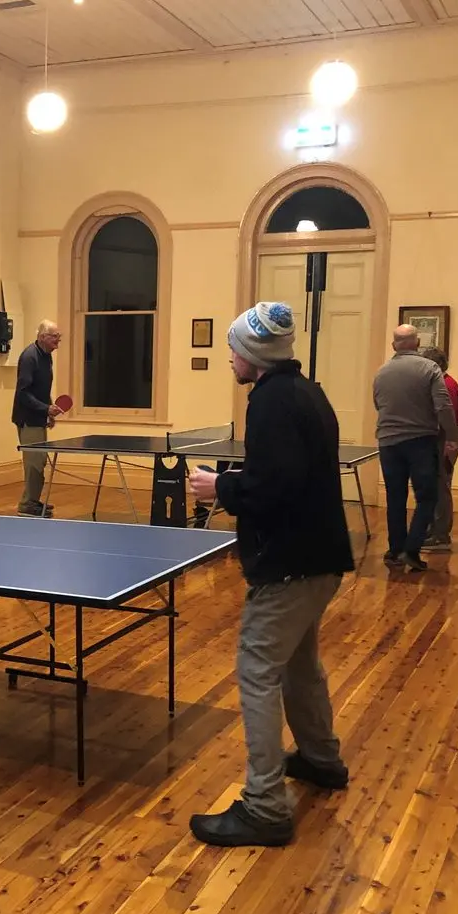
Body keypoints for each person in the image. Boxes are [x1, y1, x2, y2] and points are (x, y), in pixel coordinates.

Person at [186, 302, 355, 848]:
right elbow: (290, 474)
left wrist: (220, 487)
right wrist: (238, 481)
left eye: (233, 348)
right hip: (319, 557)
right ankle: (321, 758)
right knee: (299, 663)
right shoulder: (307, 390)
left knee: (257, 670)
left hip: (290, 562)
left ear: (253, 353)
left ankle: (264, 807)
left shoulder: (271, 401)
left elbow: (275, 487)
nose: (229, 357)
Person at [372, 325, 458, 571]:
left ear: (394, 345)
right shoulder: (430, 368)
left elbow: (378, 404)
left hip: (388, 442)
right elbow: (443, 406)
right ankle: (412, 549)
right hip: (421, 441)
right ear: (417, 343)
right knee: (427, 497)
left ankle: (395, 550)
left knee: (395, 497)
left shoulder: (381, 372)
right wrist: (451, 435)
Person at [12, 320, 62, 516]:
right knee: (33, 463)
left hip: (38, 417)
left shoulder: (46, 356)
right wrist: (45, 408)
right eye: (54, 336)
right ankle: (27, 505)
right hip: (28, 419)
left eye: (59, 336)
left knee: (39, 461)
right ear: (42, 337)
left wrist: (48, 410)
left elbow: (42, 389)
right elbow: (23, 393)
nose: (58, 340)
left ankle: (33, 500)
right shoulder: (29, 357)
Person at [420, 346, 458, 551]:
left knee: (441, 487)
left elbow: (448, 418)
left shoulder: (446, 386)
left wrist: (448, 442)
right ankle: (434, 530)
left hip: (445, 439)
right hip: (442, 438)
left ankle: (440, 534)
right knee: (436, 485)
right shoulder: (445, 383)